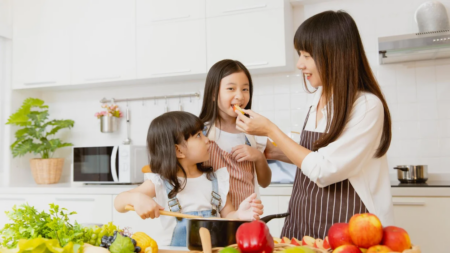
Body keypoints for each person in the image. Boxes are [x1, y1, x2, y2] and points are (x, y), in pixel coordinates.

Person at [235, 11, 394, 240]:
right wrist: (271, 151)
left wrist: (270, 129)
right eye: (300, 54)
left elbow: (324, 169)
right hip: (303, 221)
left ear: (334, 55)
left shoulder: (367, 106)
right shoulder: (319, 97)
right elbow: (313, 156)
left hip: (350, 226)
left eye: (307, 55)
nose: (300, 64)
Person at [114, 111, 263, 246]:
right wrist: (137, 199)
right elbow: (119, 202)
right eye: (198, 135)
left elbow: (228, 215)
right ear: (178, 150)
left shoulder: (216, 180)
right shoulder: (161, 182)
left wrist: (239, 215)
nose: (207, 140)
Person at [199, 59, 272, 210]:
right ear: (213, 94)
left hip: (248, 219)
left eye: (245, 89)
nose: (240, 96)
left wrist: (259, 156)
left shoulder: (253, 133)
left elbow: (265, 182)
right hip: (213, 218)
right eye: (231, 89)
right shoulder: (200, 134)